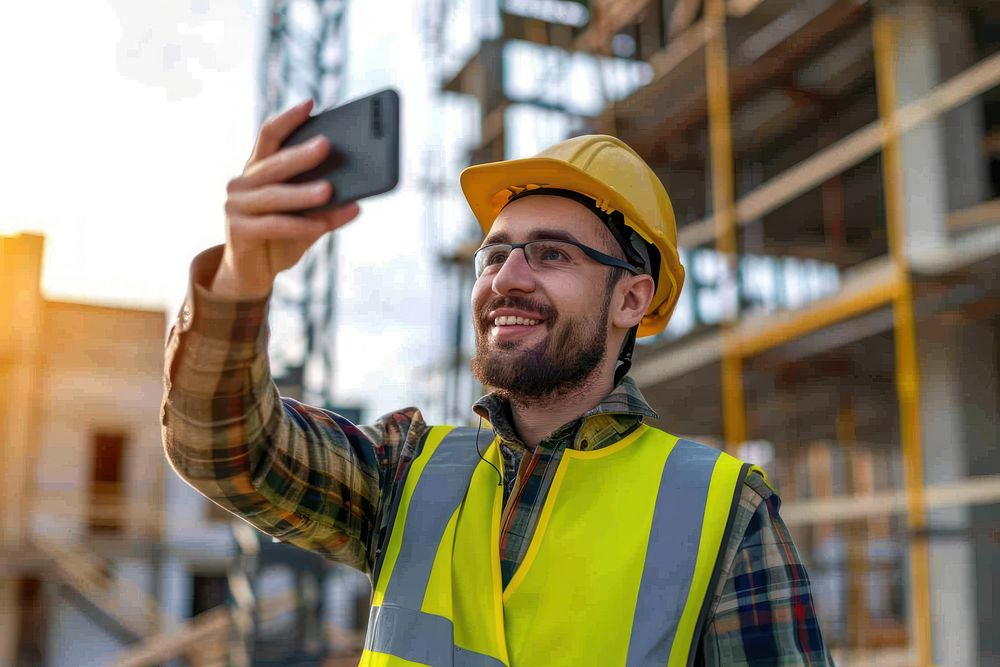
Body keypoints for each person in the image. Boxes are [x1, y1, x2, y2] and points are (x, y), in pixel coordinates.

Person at [162, 99, 833, 666]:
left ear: (631, 299)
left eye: (550, 254)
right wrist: (240, 279)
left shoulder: (725, 512)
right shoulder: (405, 471)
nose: (505, 277)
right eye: (495, 253)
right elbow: (227, 450)